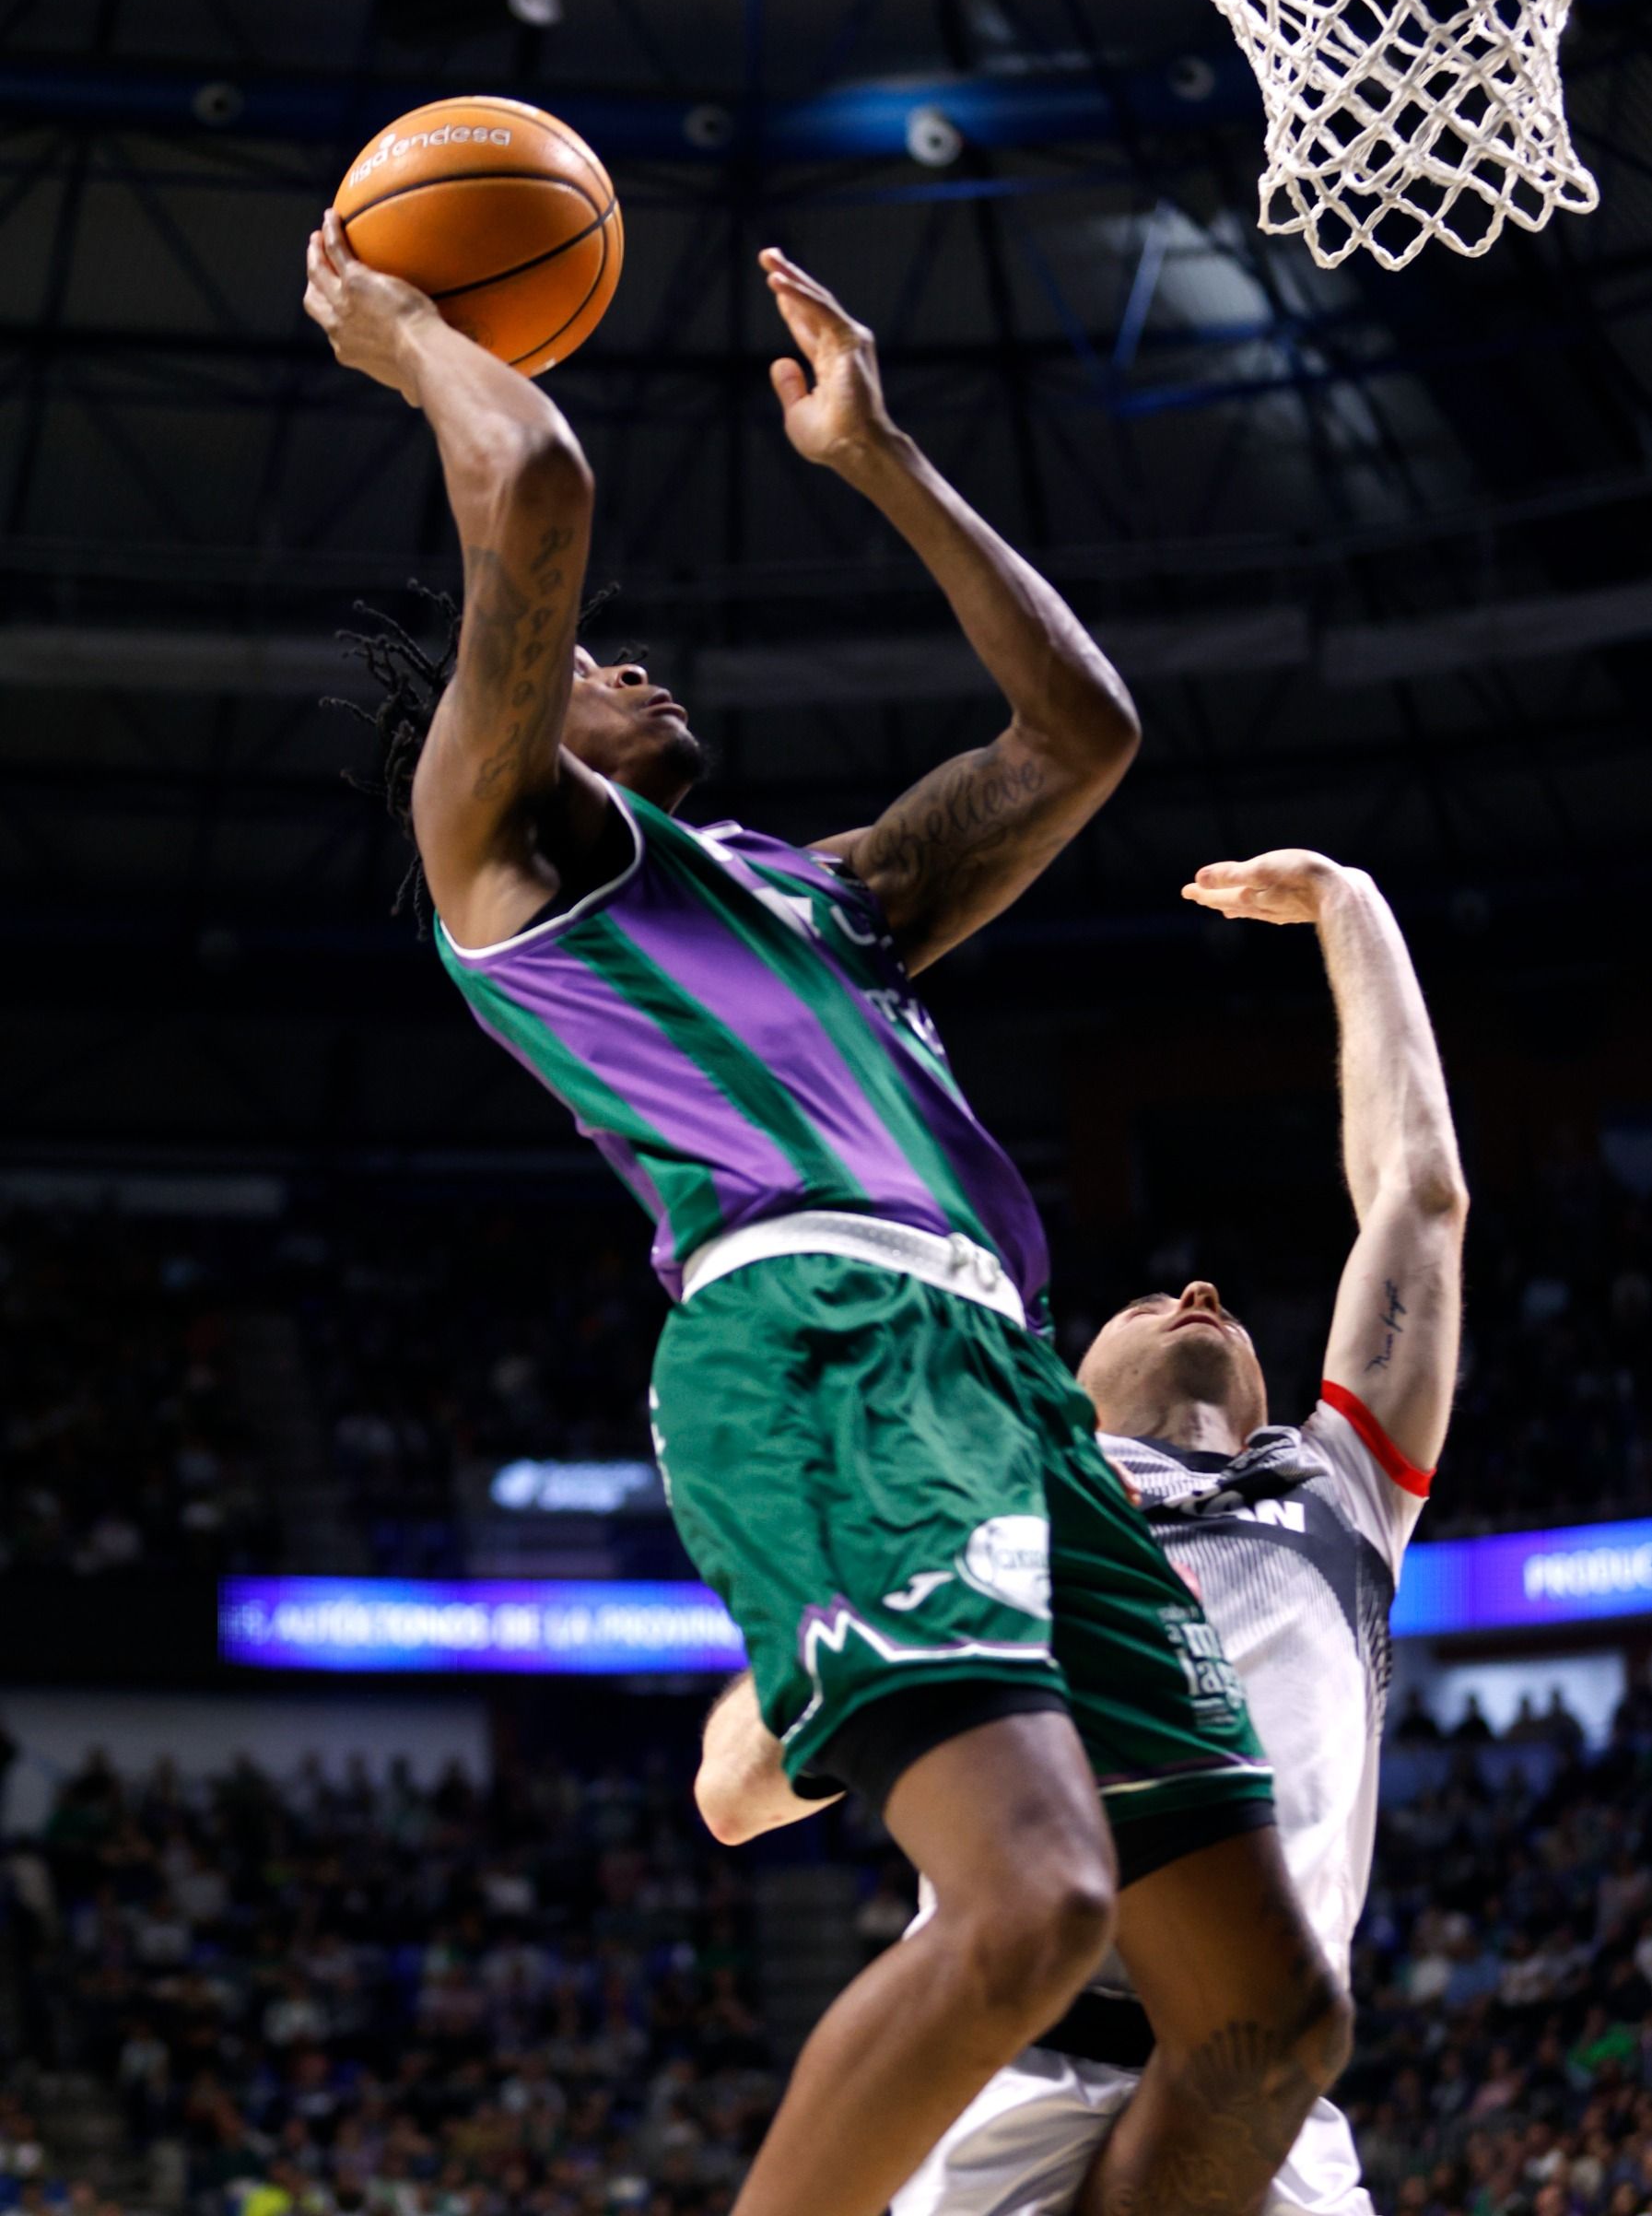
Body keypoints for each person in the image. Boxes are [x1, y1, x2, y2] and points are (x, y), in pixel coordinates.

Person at [303, 220, 1349, 2216]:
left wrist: (883, 458)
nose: (628, 661)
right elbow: (533, 484)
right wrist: (412, 331)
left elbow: (1083, 735)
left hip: (1017, 1390)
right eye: (590, 670)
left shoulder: (815, 889)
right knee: (1033, 1902)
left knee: (1269, 2019)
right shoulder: (503, 850)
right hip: (821, 1337)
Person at [698, 848, 1466, 2216]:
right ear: (1063, 1383)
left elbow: (1416, 1197)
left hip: (1253, 2090)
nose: (1198, 1286)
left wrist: (1350, 902)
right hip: (1010, 2072)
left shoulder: (1340, 1488)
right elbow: (734, 1798)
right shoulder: (986, 1492)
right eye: (1146, 1297)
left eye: (1220, 1298)